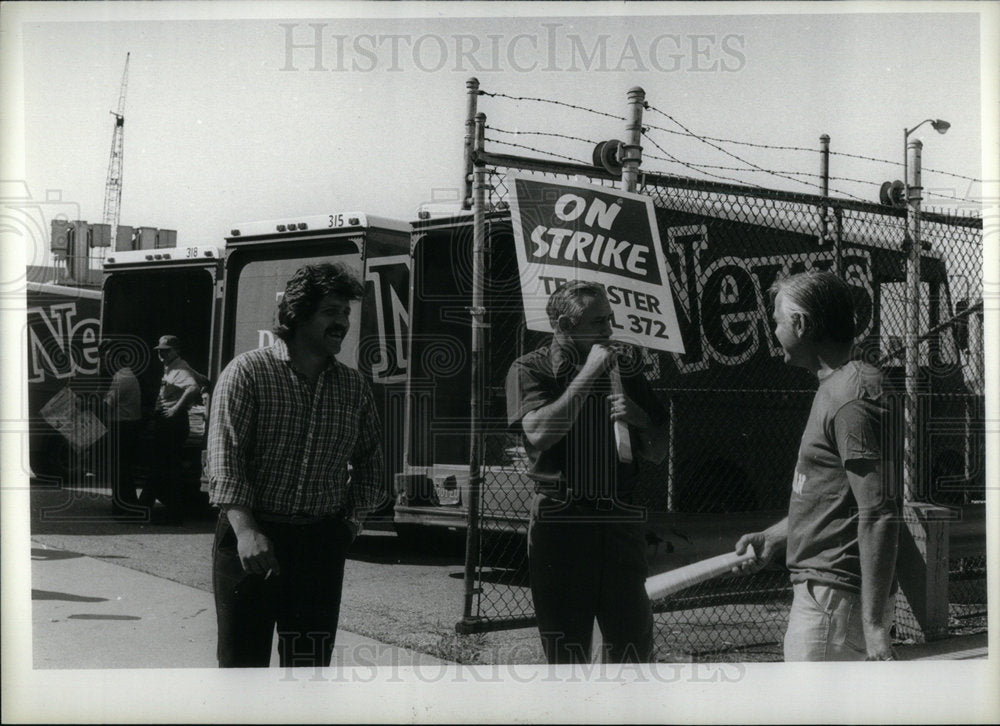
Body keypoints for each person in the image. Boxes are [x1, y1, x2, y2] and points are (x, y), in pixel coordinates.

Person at [207, 262, 385, 668]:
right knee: (242, 670)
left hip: (319, 544)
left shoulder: (353, 386)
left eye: (345, 313)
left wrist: (347, 527)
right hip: (250, 541)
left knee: (308, 672)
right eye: (331, 312)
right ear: (298, 315)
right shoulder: (248, 372)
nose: (342, 322)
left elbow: (373, 462)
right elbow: (225, 459)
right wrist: (247, 531)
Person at [734, 271, 899, 662]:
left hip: (834, 601)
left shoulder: (849, 396)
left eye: (776, 319)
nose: (773, 330)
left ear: (801, 324)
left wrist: (874, 627)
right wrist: (776, 536)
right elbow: (834, 496)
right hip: (830, 595)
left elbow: (877, 512)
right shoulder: (840, 387)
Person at [505, 280, 669, 664]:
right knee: (567, 652)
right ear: (564, 325)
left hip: (618, 519)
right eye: (598, 323)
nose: (609, 331)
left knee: (631, 646)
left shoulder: (624, 370)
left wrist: (639, 418)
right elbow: (540, 433)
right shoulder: (532, 368)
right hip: (562, 520)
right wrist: (589, 373)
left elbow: (659, 452)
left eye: (610, 320)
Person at [140, 334, 209, 524]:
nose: (161, 354)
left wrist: (175, 408)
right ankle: (171, 512)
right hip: (170, 423)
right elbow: (202, 380)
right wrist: (206, 389)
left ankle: (146, 509)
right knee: (167, 468)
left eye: (166, 351)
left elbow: (193, 387)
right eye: (159, 351)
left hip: (172, 423)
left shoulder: (179, 368)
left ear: (175, 351)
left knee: (162, 467)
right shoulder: (176, 366)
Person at [97, 339, 144, 518]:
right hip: (127, 426)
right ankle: (125, 506)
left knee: (120, 470)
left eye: (108, 358)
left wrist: (85, 404)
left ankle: (122, 508)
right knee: (123, 470)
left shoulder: (122, 378)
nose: (106, 361)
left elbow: (107, 405)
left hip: (123, 428)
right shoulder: (125, 375)